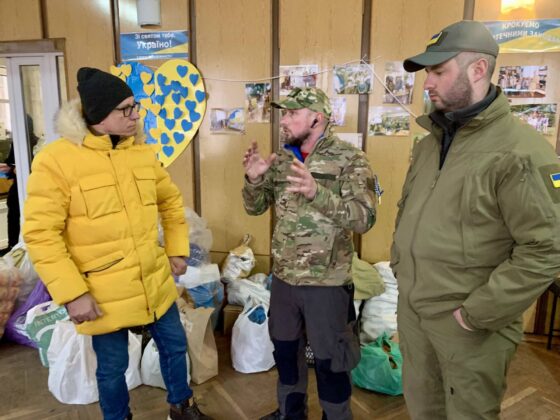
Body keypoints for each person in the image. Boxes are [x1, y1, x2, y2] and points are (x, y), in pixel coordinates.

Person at [391, 20, 560, 420]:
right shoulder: (431, 143)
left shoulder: (523, 151)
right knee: (422, 409)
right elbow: (408, 213)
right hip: (415, 312)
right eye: (427, 73)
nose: (427, 84)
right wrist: (401, 272)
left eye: (438, 71)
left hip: (468, 324)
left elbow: (547, 247)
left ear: (478, 70)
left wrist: (475, 315)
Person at [23, 67, 212, 420]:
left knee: (174, 346)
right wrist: (73, 293)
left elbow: (170, 202)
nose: (135, 115)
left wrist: (176, 248)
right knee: (112, 367)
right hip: (101, 289)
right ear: (98, 115)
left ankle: (182, 408)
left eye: (135, 106)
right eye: (126, 109)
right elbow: (40, 234)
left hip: (152, 280)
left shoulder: (140, 153)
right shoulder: (56, 160)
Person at [242, 87, 377, 420]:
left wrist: (318, 192)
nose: (284, 120)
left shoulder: (350, 158)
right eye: (283, 113)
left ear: (318, 117)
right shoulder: (283, 158)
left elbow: (364, 218)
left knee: (332, 362)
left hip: (327, 284)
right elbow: (255, 207)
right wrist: (254, 180)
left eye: (291, 113)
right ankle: (291, 413)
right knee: (286, 354)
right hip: (285, 281)